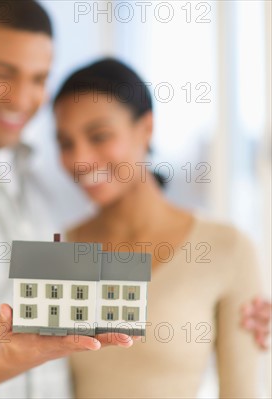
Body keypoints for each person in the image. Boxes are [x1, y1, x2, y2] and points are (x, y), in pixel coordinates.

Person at [0, 1, 270, 397]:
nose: (20, 98)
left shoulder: (43, 192)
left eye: (38, 78)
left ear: (147, 129)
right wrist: (11, 353)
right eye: (4, 73)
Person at [53, 58, 264, 397]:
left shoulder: (227, 249)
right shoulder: (60, 250)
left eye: (99, 135)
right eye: (66, 143)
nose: (79, 159)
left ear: (146, 128)